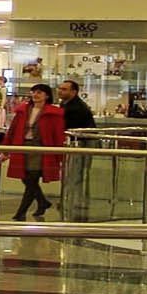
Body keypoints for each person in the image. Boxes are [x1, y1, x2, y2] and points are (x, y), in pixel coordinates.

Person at [4, 83, 66, 220]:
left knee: (32, 179)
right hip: (22, 147)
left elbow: (58, 135)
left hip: (40, 149)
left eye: (39, 92)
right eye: (33, 92)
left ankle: (21, 212)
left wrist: (59, 155)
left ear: (47, 96)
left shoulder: (53, 113)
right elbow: (12, 130)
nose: (35, 95)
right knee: (26, 178)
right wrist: (5, 149)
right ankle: (43, 202)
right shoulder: (23, 111)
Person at [56, 80, 95, 219]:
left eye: (64, 89)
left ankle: (74, 201)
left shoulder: (76, 107)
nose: (60, 91)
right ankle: (71, 199)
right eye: (60, 88)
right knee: (72, 174)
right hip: (77, 144)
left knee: (75, 174)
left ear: (74, 92)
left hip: (82, 145)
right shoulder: (66, 104)